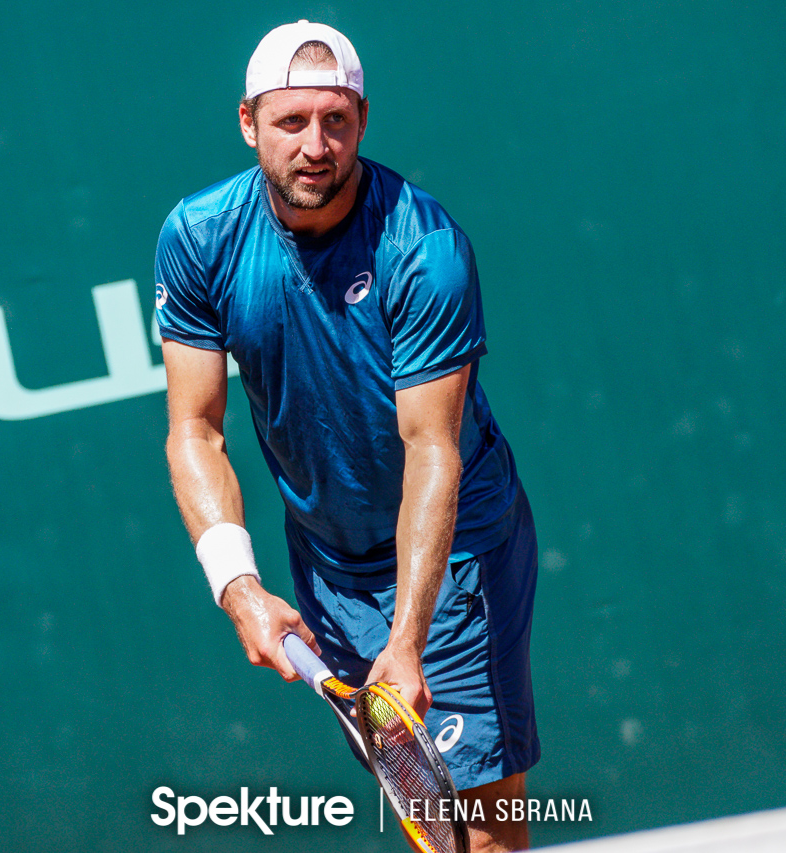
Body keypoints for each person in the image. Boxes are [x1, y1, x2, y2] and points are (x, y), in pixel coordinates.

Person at [154, 20, 539, 852]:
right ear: (249, 123)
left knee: (483, 821)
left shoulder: (424, 249)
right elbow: (194, 427)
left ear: (363, 120)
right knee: (430, 820)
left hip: (452, 548)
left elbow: (432, 448)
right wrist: (238, 586)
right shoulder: (198, 237)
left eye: (336, 120)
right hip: (326, 560)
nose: (316, 145)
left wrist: (408, 635)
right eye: (292, 122)